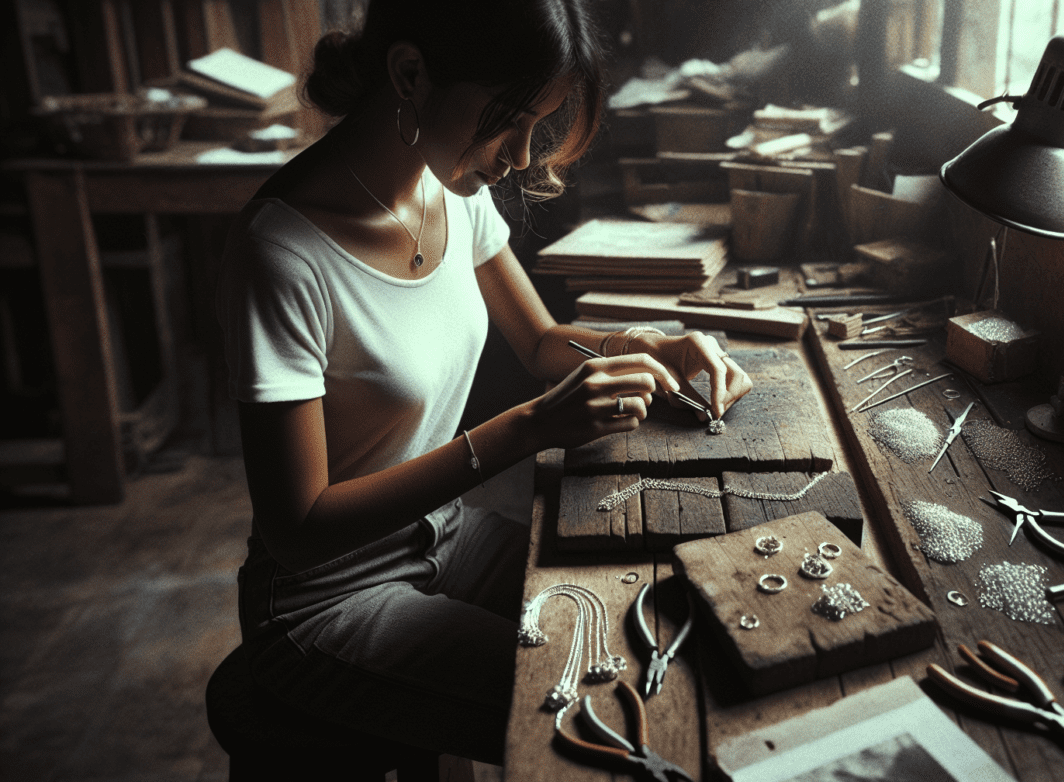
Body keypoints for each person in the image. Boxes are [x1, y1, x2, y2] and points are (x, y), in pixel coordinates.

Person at [214, 0, 751, 763]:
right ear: (410, 73)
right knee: (611, 703)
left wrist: (644, 343)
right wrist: (525, 431)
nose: (524, 154)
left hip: (446, 538)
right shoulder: (283, 253)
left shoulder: (450, 190)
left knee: (659, 627)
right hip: (323, 600)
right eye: (507, 120)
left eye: (540, 121)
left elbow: (538, 341)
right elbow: (296, 532)